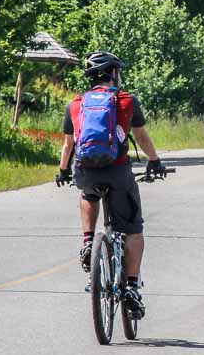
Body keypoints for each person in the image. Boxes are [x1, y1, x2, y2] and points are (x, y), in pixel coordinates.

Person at [55, 51, 165, 317]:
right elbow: (141, 136)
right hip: (117, 173)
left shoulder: (76, 103)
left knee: (87, 193)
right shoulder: (126, 100)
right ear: (114, 73)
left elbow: (69, 144)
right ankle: (130, 287)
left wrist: (63, 171)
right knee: (134, 229)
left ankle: (88, 241)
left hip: (86, 170)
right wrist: (155, 162)